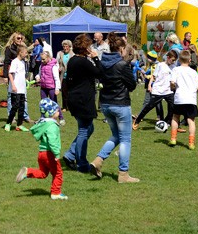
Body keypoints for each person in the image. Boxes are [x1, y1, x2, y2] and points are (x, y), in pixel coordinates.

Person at [89, 32, 139, 183]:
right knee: (125, 139)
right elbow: (132, 85)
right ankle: (123, 174)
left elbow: (100, 74)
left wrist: (97, 59)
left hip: (105, 104)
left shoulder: (103, 62)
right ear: (122, 49)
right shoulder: (123, 65)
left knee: (116, 136)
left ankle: (98, 160)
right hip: (121, 104)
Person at [62, 34, 103, 173]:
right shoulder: (83, 62)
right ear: (85, 47)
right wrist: (96, 58)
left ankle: (69, 155)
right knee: (84, 131)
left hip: (75, 98)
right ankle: (82, 163)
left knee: (88, 129)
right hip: (82, 100)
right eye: (89, 46)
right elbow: (99, 73)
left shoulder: (73, 60)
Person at [15, 98, 67, 200]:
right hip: (50, 154)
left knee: (43, 173)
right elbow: (52, 141)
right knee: (58, 173)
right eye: (57, 110)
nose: (58, 111)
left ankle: (27, 171)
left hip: (41, 153)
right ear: (51, 112)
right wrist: (56, 154)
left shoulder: (43, 123)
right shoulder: (52, 125)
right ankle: (55, 193)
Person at [133, 50, 176, 130]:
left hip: (168, 91)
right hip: (158, 90)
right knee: (149, 106)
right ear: (168, 57)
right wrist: (149, 85)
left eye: (174, 61)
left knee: (173, 107)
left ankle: (167, 122)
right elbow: (153, 76)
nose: (173, 62)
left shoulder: (174, 67)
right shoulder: (160, 65)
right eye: (172, 60)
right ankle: (137, 120)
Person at [169, 50, 198, 150]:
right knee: (191, 121)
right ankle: (191, 143)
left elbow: (172, 82)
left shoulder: (176, 70)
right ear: (190, 60)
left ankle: (173, 138)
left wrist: (173, 87)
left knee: (175, 117)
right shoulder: (193, 72)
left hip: (179, 98)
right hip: (190, 99)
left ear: (179, 59)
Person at [4, 33, 32, 122]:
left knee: (24, 97)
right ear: (13, 39)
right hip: (13, 75)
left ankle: (25, 116)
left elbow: (26, 63)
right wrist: (5, 76)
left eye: (21, 38)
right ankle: (11, 116)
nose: (20, 39)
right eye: (18, 38)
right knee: (11, 97)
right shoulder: (9, 49)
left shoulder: (23, 48)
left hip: (21, 77)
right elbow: (6, 62)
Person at [4, 44, 29, 132]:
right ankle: (8, 123)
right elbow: (10, 73)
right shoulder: (15, 62)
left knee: (22, 107)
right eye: (25, 53)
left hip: (22, 89)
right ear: (20, 52)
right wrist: (13, 85)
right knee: (15, 107)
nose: (26, 54)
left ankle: (20, 125)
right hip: (16, 89)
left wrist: (25, 81)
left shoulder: (23, 62)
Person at [37, 51, 64, 125]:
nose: (42, 61)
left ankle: (61, 118)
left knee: (54, 103)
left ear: (48, 58)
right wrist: (37, 77)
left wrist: (57, 88)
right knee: (43, 104)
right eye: (41, 59)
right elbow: (39, 74)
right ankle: (43, 118)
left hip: (51, 88)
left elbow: (56, 78)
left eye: (44, 59)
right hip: (43, 87)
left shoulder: (53, 66)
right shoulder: (41, 65)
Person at [56, 40, 72, 111]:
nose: (65, 48)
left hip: (71, 75)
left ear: (69, 47)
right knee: (64, 92)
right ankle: (65, 107)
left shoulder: (73, 54)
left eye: (66, 46)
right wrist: (58, 67)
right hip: (63, 75)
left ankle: (71, 106)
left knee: (71, 92)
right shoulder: (60, 53)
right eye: (64, 46)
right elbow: (56, 62)